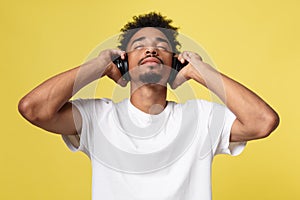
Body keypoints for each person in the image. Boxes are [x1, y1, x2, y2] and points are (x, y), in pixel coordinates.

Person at [18, 12, 279, 200]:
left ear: (175, 62)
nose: (151, 51)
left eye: (161, 46)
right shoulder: (98, 117)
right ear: (124, 62)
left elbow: (263, 121)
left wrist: (201, 71)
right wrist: (99, 66)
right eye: (139, 46)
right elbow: (33, 108)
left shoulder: (200, 117)